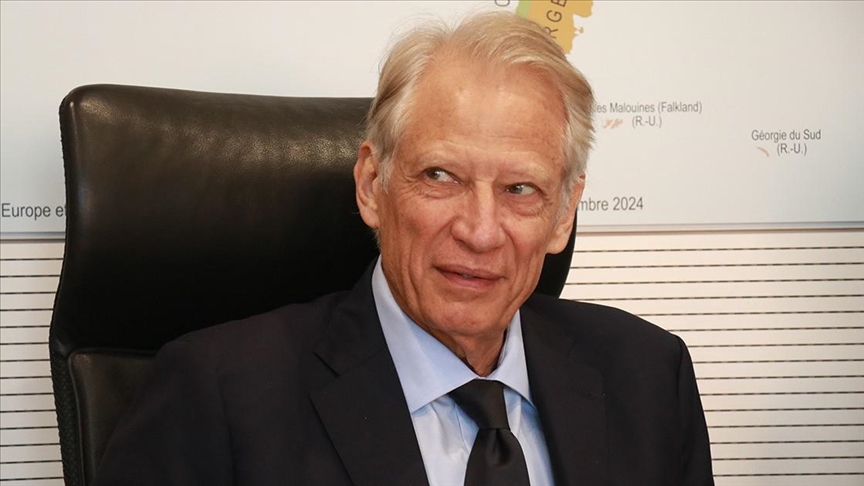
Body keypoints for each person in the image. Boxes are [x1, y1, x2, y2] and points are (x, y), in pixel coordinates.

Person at [94, 11, 714, 486]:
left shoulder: (647, 378)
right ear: (372, 184)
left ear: (563, 214)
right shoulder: (218, 396)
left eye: (520, 189)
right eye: (441, 177)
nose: (480, 231)